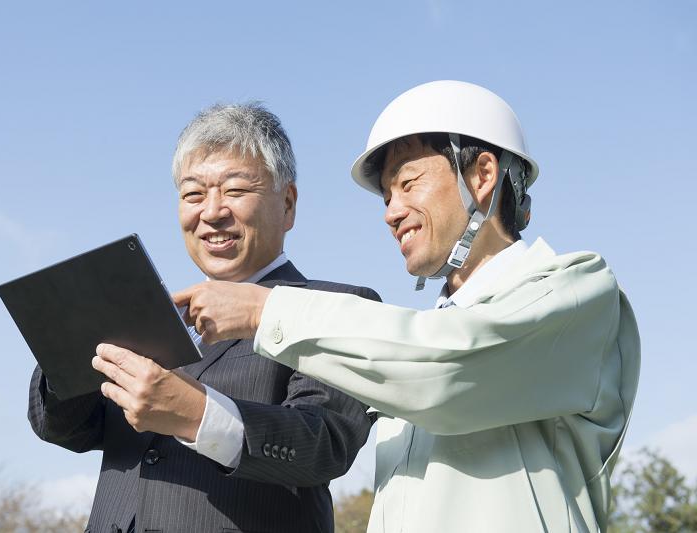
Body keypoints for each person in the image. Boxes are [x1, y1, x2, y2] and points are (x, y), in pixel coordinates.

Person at [174, 81, 641, 532]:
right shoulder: (416, 344)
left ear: (481, 175)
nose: (390, 212)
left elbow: (449, 369)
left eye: (408, 183)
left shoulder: (579, 292)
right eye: (386, 194)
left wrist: (265, 311)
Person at [28, 102, 379, 533]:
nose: (211, 211)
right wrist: (71, 341)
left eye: (234, 190)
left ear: (287, 204)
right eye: (193, 194)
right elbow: (66, 429)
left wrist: (198, 414)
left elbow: (324, 445)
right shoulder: (150, 318)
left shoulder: (338, 307)